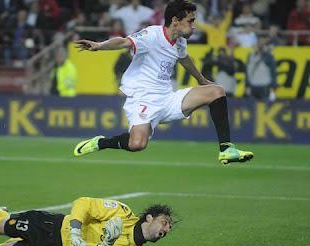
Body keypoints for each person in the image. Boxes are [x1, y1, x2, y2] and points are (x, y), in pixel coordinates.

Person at [73, 0, 253, 165]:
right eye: (190, 21)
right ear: (175, 20)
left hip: (167, 99)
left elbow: (184, 59)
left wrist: (202, 80)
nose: (194, 26)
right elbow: (124, 42)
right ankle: (101, 142)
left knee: (216, 91)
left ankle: (226, 149)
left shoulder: (179, 41)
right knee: (137, 144)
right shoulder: (152, 35)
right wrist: (99, 46)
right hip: (143, 99)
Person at [0, 197, 173, 246]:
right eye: (165, 222)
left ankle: (13, 238)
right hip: (54, 226)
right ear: (149, 217)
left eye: (169, 228)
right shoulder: (121, 212)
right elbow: (83, 202)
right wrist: (76, 232)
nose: (167, 229)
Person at [245, 37, 278, 101]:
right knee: (252, 107)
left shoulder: (268, 56)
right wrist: (247, 85)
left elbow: (273, 71)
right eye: (259, 43)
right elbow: (247, 72)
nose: (260, 44)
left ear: (264, 45)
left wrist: (273, 86)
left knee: (264, 107)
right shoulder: (250, 56)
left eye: (262, 43)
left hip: (265, 86)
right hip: (253, 85)